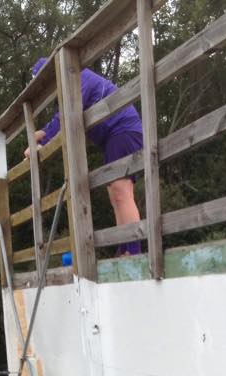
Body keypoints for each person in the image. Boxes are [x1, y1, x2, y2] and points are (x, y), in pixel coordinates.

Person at [25, 57, 143, 256]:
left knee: (121, 191)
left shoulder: (77, 76)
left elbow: (67, 116)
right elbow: (59, 119)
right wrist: (41, 134)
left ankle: (133, 251)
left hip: (123, 130)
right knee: (115, 195)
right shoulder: (69, 83)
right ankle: (125, 249)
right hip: (114, 137)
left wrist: (41, 144)